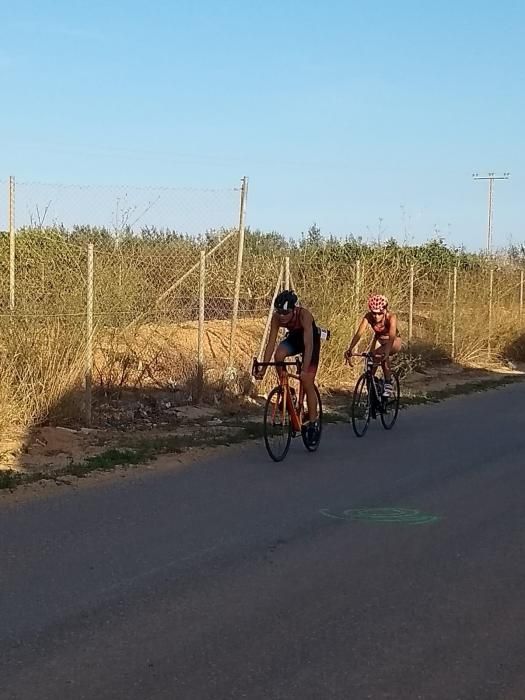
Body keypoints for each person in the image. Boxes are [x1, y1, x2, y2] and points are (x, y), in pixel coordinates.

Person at [254, 290, 320, 442]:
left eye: (286, 313)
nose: (282, 316)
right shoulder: (276, 318)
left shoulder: (304, 315)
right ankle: (286, 388)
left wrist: (304, 370)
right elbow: (271, 343)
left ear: (294, 309)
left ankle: (313, 423)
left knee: (307, 382)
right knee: (278, 355)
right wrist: (263, 368)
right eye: (279, 312)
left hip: (310, 341)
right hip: (294, 338)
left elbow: (308, 345)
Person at [344, 294, 401, 397]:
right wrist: (350, 348)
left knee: (382, 354)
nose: (376, 316)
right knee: (371, 360)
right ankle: (373, 391)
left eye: (379, 313)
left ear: (384, 310)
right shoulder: (368, 317)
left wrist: (387, 352)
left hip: (393, 340)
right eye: (374, 313)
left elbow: (392, 336)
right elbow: (359, 333)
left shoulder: (391, 317)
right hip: (379, 339)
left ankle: (388, 382)